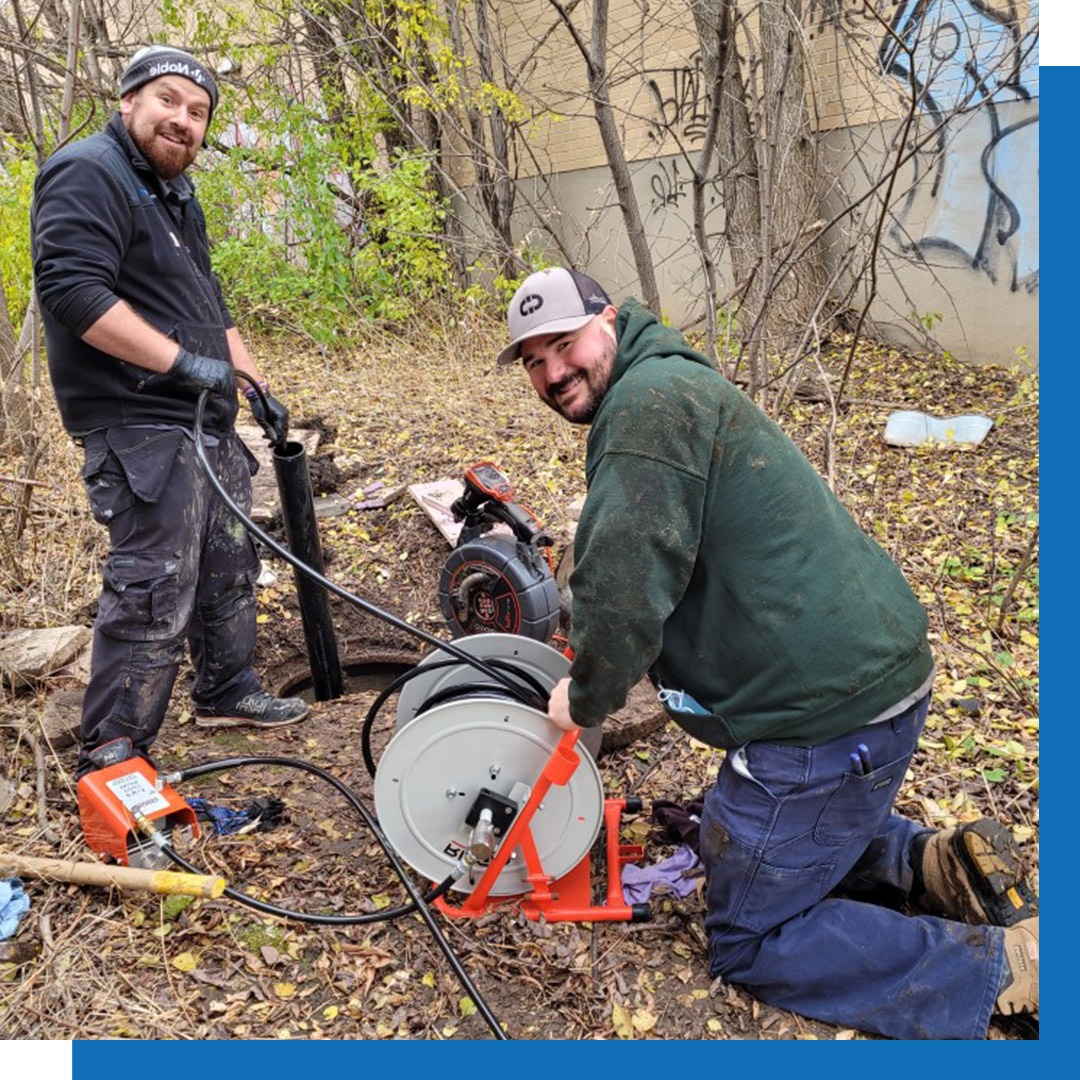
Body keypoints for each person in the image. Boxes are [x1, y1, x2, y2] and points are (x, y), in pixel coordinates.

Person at [498, 266, 1039, 1040]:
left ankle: (999, 968)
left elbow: (626, 573)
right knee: (745, 826)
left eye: (563, 344)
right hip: (862, 689)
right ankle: (932, 865)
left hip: (824, 721)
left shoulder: (648, 405)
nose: (552, 373)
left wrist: (584, 695)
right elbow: (642, 543)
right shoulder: (665, 383)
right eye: (532, 360)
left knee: (749, 936)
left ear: (608, 320)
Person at [31, 45, 309, 779]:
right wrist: (184, 365)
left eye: (198, 112)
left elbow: (208, 306)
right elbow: (72, 292)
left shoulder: (175, 193)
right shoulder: (89, 171)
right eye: (167, 102)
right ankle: (115, 748)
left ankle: (227, 688)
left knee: (227, 562)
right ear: (127, 102)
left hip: (203, 420)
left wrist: (253, 383)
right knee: (154, 582)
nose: (182, 121)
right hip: (139, 420)